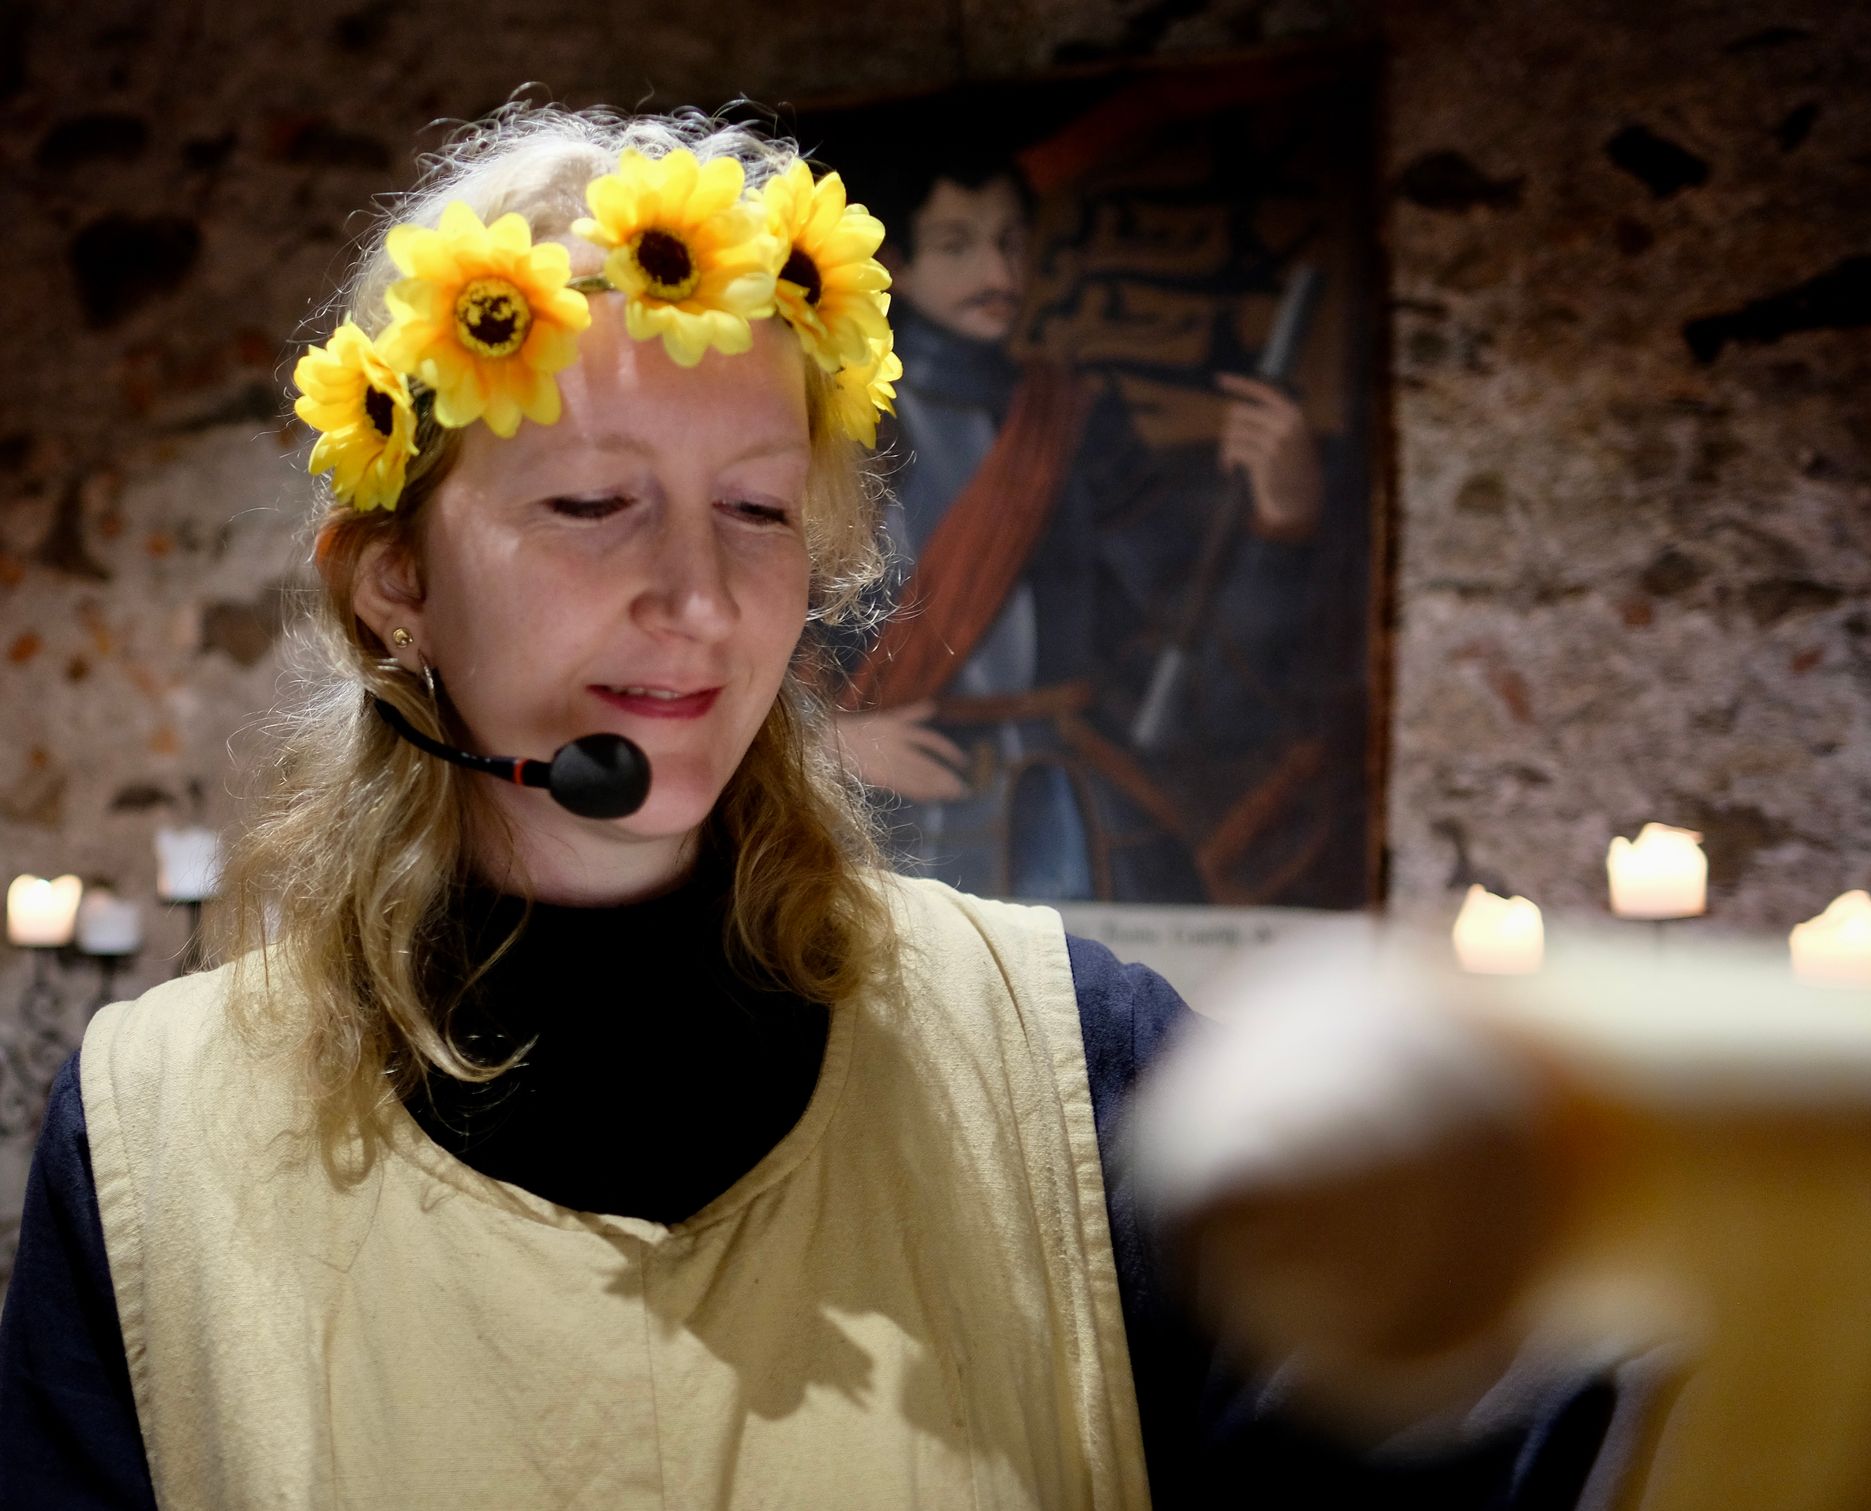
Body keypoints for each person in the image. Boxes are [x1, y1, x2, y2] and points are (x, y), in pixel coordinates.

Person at [0, 106, 1613, 1508]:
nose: (700, 599)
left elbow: (1464, 1441)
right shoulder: (152, 1141)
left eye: (759, 510)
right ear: (394, 583)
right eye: (593, 502)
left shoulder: (1079, 1059)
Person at [830, 134, 1325, 902]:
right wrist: (830, 743)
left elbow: (1181, 622)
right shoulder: (834, 420)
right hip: (890, 800)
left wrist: (1281, 514)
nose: (1000, 275)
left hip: (1071, 807)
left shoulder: (1077, 420)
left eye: (1011, 243)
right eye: (958, 246)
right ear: (893, 262)